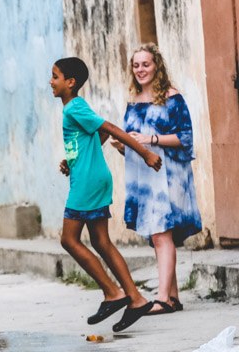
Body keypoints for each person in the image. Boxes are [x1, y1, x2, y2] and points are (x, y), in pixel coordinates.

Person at [51, 57, 161, 333]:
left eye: (55, 77)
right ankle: (135, 298)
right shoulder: (75, 107)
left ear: (70, 82)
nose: (51, 82)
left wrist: (145, 152)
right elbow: (95, 135)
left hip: (87, 183)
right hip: (91, 177)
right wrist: (71, 160)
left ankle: (113, 293)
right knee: (101, 241)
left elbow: (109, 128)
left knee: (69, 239)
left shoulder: (73, 108)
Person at [111, 44, 202, 315]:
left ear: (156, 66)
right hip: (144, 178)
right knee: (157, 234)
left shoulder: (173, 98)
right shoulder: (133, 101)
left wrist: (151, 140)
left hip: (170, 174)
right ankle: (172, 296)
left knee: (162, 233)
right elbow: (132, 139)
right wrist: (124, 145)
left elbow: (185, 138)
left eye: (146, 64)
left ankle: (162, 298)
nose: (140, 70)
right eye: (136, 65)